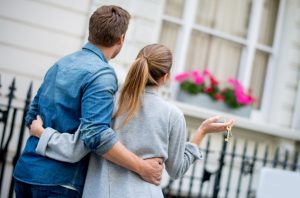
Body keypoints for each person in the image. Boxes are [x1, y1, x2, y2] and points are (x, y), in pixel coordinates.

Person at [29, 44, 234, 198]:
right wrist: (201, 133)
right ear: (165, 77)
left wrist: (42, 133)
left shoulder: (108, 101)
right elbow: (176, 170)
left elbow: (78, 146)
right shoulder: (173, 115)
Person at [13, 5, 163, 198]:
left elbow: (32, 117)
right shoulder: (102, 74)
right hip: (59, 183)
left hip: (25, 173)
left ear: (91, 31)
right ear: (121, 39)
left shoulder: (62, 63)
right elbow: (96, 136)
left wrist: (43, 133)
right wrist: (142, 167)